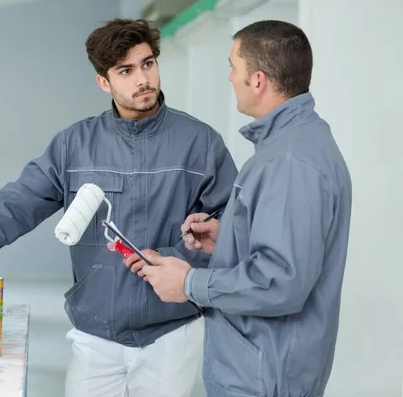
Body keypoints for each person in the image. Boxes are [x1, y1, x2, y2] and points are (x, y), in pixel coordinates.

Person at [0, 19, 238, 397]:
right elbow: (21, 199)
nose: (143, 79)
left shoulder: (200, 142)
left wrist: (186, 265)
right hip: (95, 335)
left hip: (172, 332)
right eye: (126, 70)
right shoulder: (75, 145)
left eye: (148, 64)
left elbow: (229, 228)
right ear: (104, 82)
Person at [131, 20, 352, 397]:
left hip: (264, 378)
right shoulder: (292, 145)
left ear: (258, 80)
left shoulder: (289, 162)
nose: (230, 77)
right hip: (262, 370)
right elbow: (288, 251)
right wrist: (231, 239)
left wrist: (188, 283)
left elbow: (280, 282)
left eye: (234, 66)